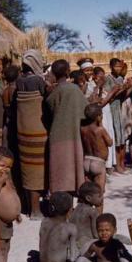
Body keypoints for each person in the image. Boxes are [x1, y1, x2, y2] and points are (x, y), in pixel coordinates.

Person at [46, 59, 88, 194]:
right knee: (73, 170)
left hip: (56, 136)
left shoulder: (52, 92)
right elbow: (86, 112)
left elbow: (49, 109)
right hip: (73, 135)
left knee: (58, 172)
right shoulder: (74, 90)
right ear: (68, 72)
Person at [15, 50, 49, 220]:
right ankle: (36, 211)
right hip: (38, 131)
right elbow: (47, 98)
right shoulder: (37, 80)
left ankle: (29, 207)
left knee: (28, 169)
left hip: (23, 131)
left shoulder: (19, 81)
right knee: (37, 171)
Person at [80, 104, 113, 212]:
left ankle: (85, 216)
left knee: (88, 193)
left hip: (86, 161)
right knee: (99, 195)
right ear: (98, 117)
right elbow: (110, 142)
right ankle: (98, 220)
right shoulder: (100, 130)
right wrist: (102, 125)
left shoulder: (83, 129)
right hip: (98, 163)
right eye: (101, 115)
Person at [39, 192, 79, 262]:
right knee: (84, 258)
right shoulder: (70, 228)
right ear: (70, 210)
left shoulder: (44, 222)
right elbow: (72, 258)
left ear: (51, 208)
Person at [91, 67, 120, 174]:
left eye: (103, 76)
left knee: (110, 135)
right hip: (101, 117)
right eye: (100, 76)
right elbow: (100, 103)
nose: (102, 79)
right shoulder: (92, 87)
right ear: (95, 76)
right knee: (103, 139)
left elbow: (108, 98)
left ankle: (110, 164)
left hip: (108, 115)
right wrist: (112, 92)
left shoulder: (103, 87)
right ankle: (105, 164)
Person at [104, 58, 127, 173]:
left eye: (119, 66)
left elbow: (123, 95)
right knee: (116, 136)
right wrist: (119, 90)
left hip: (119, 109)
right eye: (116, 66)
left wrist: (126, 88)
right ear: (111, 67)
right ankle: (116, 164)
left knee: (122, 137)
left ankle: (122, 162)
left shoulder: (120, 79)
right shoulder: (108, 79)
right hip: (112, 110)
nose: (118, 69)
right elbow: (109, 96)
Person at [69, 181, 102, 250]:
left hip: (72, 244)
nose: (101, 198)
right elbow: (96, 234)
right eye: (99, 196)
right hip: (85, 245)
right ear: (88, 198)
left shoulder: (76, 208)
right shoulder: (93, 211)